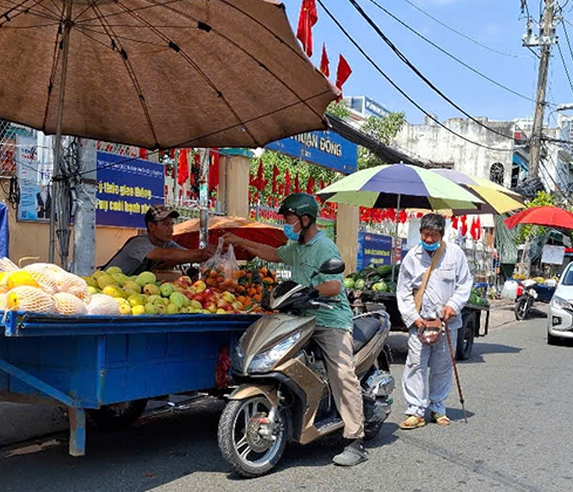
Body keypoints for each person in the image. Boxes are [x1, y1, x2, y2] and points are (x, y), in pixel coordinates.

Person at [223, 193, 367, 467]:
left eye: (289, 219)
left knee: (341, 372)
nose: (287, 224)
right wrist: (240, 241)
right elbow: (274, 254)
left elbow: (334, 285)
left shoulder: (324, 247)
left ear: (305, 219)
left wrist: (312, 291)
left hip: (329, 318)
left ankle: (354, 440)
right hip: (300, 316)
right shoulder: (297, 246)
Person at [395, 214, 473, 430]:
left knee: (442, 367)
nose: (428, 239)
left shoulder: (455, 254)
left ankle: (438, 408)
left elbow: (465, 284)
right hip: (420, 322)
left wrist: (454, 306)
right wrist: (414, 318)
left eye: (433, 235)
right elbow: (402, 292)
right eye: (425, 234)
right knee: (415, 366)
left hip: (447, 323)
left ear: (442, 235)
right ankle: (415, 411)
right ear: (420, 233)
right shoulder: (412, 257)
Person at [103, 205, 215, 276]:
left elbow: (186, 254)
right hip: (105, 286)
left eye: (171, 224)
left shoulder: (167, 243)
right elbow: (164, 254)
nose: (170, 229)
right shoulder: (139, 243)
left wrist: (211, 253)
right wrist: (201, 252)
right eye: (165, 224)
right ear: (151, 226)